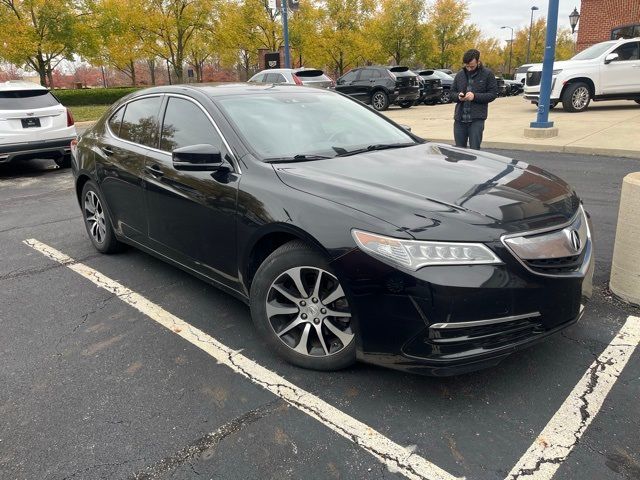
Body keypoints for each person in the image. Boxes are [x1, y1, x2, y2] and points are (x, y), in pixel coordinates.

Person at [450, 49, 498, 150]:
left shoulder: (487, 74)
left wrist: (474, 96)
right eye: (467, 66)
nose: (469, 69)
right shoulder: (460, 75)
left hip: (476, 120)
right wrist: (458, 96)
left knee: (475, 150)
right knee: (459, 150)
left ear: (478, 62)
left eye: (472, 66)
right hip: (459, 119)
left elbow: (493, 94)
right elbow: (451, 93)